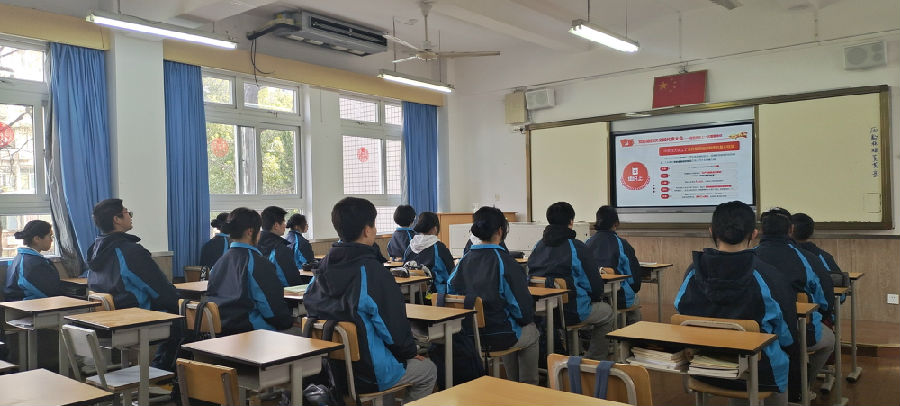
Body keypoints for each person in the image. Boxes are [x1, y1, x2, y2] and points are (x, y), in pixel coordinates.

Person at [303, 197, 436, 402]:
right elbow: (393, 327)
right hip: (368, 373)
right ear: (367, 230)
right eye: (374, 225)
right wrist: (410, 352)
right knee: (427, 370)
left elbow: (310, 305)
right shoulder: (372, 272)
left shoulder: (322, 268)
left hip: (329, 372)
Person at [674, 201, 796, 405]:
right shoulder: (768, 276)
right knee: (781, 356)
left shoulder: (693, 273)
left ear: (711, 231)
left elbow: (681, 315)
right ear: (754, 234)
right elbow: (787, 334)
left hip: (704, 368)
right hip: (760, 373)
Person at [87, 198, 180, 369]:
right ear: (117, 219)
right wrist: (179, 303)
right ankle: (163, 374)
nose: (130, 216)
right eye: (127, 213)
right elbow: (158, 288)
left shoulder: (95, 249)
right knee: (187, 321)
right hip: (134, 317)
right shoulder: (130, 251)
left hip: (109, 318)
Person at [449, 206, 538, 385]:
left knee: (513, 327)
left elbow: (451, 295)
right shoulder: (505, 262)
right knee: (531, 332)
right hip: (498, 335)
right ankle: (527, 387)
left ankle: (512, 384)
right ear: (500, 231)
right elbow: (522, 310)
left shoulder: (463, 261)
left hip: (468, 336)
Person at [756, 207, 834, 397]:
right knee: (830, 340)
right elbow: (826, 300)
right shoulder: (807, 258)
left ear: (760, 231)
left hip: (757, 332)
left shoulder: (750, 257)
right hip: (799, 332)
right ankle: (803, 387)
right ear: (790, 229)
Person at [527, 202, 615, 360]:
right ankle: (593, 360)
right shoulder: (576, 247)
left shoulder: (537, 246)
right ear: (571, 221)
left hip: (541, 313)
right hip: (572, 311)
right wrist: (595, 298)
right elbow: (595, 286)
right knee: (608, 312)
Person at [206, 207, 293, 335]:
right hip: (249, 333)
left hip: (221, 330)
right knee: (299, 332)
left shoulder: (219, 262)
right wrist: (288, 322)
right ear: (250, 232)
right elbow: (271, 307)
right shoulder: (257, 262)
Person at [584, 206, 642, 324]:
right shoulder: (622, 244)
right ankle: (631, 333)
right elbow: (634, 281)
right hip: (619, 296)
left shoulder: (587, 243)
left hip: (594, 297)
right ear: (616, 223)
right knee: (635, 300)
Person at [790, 213, 849, 293]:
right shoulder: (824, 257)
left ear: (790, 230)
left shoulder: (783, 256)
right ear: (812, 232)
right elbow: (840, 293)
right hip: (821, 299)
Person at [4, 220, 60, 301]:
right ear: (37, 239)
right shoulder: (33, 263)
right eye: (50, 236)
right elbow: (48, 292)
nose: (51, 240)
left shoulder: (22, 257)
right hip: (27, 304)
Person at [403, 212, 455, 294]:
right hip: (434, 293)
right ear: (435, 228)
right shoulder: (439, 247)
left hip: (412, 294)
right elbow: (451, 273)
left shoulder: (410, 246)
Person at [256, 206, 303, 287]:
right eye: (283, 222)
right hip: (282, 293)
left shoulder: (253, 246)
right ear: (276, 225)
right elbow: (293, 282)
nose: (285, 225)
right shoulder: (281, 250)